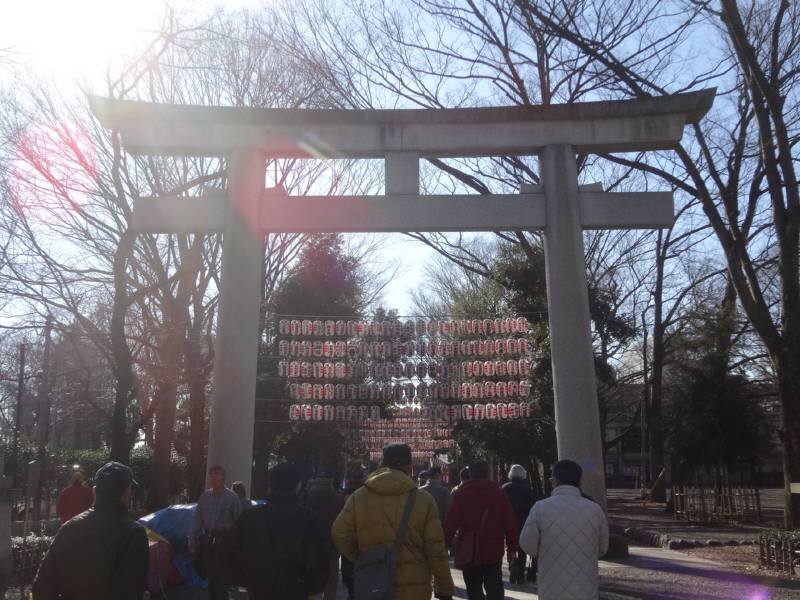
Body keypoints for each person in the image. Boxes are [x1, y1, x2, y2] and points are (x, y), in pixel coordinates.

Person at [332, 443, 455, 600]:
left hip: (374, 586)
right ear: (410, 466)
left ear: (382, 465)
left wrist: (362, 556)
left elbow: (339, 532)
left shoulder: (359, 497)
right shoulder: (423, 500)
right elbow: (436, 550)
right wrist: (445, 589)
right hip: (414, 588)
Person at [32, 461, 148, 600]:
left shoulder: (68, 528)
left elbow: (41, 587)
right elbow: (129, 592)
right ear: (127, 492)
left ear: (94, 491)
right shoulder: (134, 534)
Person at [519, 460, 609, 600]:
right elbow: (603, 547)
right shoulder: (594, 509)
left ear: (555, 481)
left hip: (551, 586)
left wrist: (543, 551)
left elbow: (526, 544)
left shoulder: (540, 508)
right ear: (579, 482)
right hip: (586, 586)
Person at [237, 462, 329, 600]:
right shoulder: (309, 519)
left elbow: (233, 551)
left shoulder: (250, 517)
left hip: (259, 586)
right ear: (298, 486)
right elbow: (318, 558)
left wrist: (245, 580)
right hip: (296, 587)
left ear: (270, 484)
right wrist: (315, 586)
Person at [444, 460, 518, 600]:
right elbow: (510, 522)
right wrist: (512, 548)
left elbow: (450, 524)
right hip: (493, 549)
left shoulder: (460, 494)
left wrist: (445, 544)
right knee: (495, 588)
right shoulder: (498, 493)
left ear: (470, 474)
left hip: (469, 550)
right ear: (488, 473)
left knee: (473, 589)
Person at [190, 465, 243, 600]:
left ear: (223, 478)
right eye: (212, 474)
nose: (214, 477)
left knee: (221, 576)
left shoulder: (232, 498)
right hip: (208, 540)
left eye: (217, 474)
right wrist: (192, 538)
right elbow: (197, 518)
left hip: (225, 541)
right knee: (211, 575)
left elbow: (239, 521)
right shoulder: (205, 496)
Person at [304, 467, 345, 600]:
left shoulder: (306, 496)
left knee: (309, 579)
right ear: (331, 481)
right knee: (331, 581)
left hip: (310, 545)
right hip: (331, 545)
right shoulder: (339, 499)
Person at [502, 464, 537, 584]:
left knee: (510, 546)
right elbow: (533, 508)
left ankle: (512, 566)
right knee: (522, 549)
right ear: (523, 474)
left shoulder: (505, 488)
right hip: (524, 522)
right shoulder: (528, 489)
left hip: (508, 522)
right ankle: (521, 574)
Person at [340, 467, 366, 600]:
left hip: (351, 537)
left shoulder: (344, 496)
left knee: (349, 567)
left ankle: (352, 591)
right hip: (363, 537)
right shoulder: (368, 496)